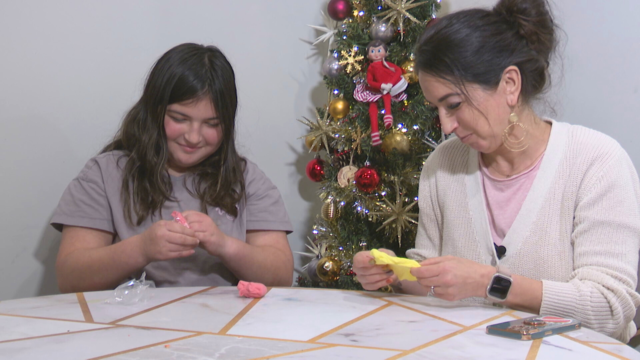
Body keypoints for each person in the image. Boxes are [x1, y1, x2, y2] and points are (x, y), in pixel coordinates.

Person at [352, 0, 640, 342]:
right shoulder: (442, 165)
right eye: (437, 108)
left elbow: (610, 309)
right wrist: (394, 272)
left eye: (454, 104)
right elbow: (430, 283)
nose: (446, 125)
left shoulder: (597, 162)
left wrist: (491, 282)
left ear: (510, 84)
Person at [52, 43, 294, 293]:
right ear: (154, 111)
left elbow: (281, 275)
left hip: (224, 326)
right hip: (128, 324)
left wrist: (224, 245)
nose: (193, 136)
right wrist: (142, 248)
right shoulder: (104, 174)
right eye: (180, 119)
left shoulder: (246, 179)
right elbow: (70, 278)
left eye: (212, 124)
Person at [353, 40, 407, 146]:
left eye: (379, 50)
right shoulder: (371, 68)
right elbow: (370, 81)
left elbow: (398, 71)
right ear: (368, 55)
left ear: (386, 53)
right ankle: (375, 134)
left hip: (388, 88)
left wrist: (390, 84)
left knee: (386, 95)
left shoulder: (387, 64)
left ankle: (388, 116)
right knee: (372, 106)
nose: (376, 54)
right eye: (373, 51)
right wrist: (381, 86)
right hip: (375, 89)